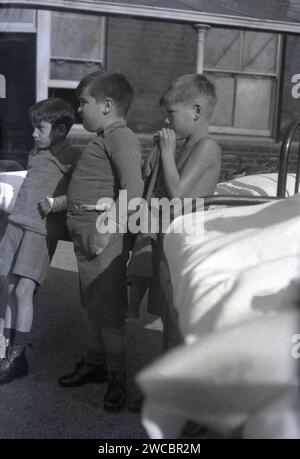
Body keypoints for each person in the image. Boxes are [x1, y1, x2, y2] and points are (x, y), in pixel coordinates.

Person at [127, 74, 222, 412]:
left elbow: (180, 193)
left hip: (187, 244)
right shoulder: (181, 146)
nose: (166, 120)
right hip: (167, 241)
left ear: (196, 111)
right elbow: (158, 186)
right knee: (169, 317)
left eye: (171, 113)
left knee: (182, 320)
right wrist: (159, 153)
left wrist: (167, 153)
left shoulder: (207, 147)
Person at [58, 71, 144, 412]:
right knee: (93, 305)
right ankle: (95, 364)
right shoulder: (104, 136)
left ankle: (117, 378)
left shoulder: (121, 138)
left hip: (100, 234)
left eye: (84, 102)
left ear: (107, 105)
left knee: (109, 313)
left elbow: (133, 191)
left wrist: (105, 229)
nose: (79, 110)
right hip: (86, 231)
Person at [0, 97, 78, 384]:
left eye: (40, 128)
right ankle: (5, 349)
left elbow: (81, 193)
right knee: (7, 285)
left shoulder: (71, 157)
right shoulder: (36, 153)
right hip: (17, 224)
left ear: (59, 130)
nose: (33, 134)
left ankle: (17, 357)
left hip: (40, 231)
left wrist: (58, 202)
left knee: (23, 291)